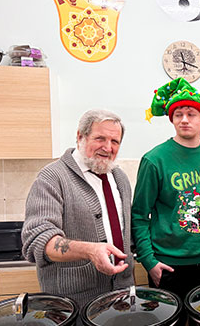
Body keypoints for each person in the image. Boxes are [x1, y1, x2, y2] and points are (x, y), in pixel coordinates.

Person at [22, 109, 134, 313]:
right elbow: (37, 241)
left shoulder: (119, 178)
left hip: (122, 296)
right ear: (80, 136)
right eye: (100, 138)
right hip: (73, 303)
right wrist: (90, 251)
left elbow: (127, 233)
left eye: (115, 141)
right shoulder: (52, 177)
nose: (108, 148)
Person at [132, 78, 200, 301]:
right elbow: (140, 215)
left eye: (191, 114)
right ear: (172, 119)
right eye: (178, 114)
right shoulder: (154, 159)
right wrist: (148, 261)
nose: (184, 120)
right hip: (169, 264)